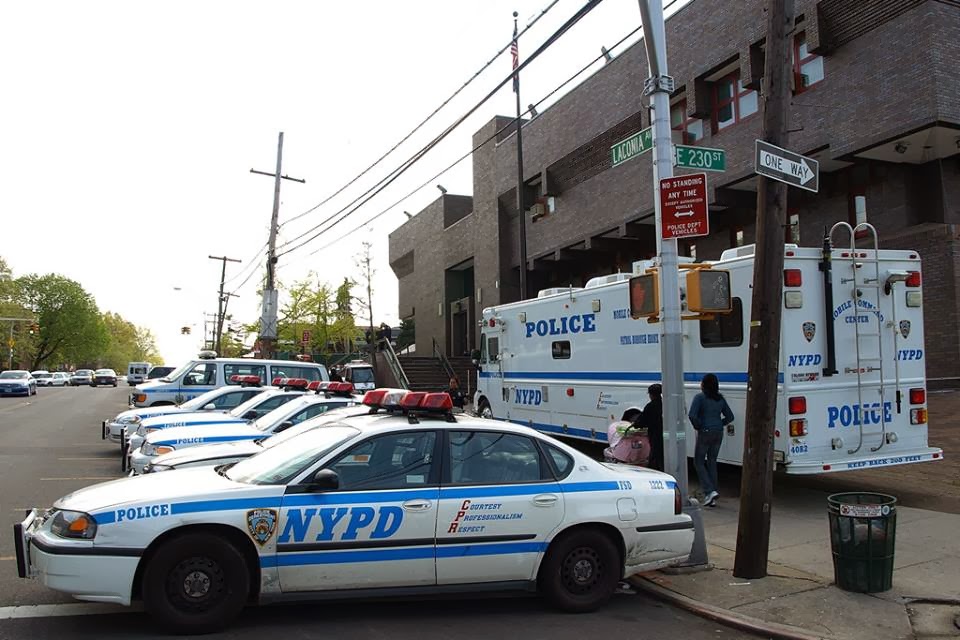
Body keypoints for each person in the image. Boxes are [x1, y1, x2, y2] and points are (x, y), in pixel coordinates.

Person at [688, 373, 734, 507]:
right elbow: (730, 416)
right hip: (718, 432)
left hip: (705, 432)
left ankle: (709, 491)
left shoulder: (700, 398)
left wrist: (698, 425)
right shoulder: (720, 399)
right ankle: (712, 493)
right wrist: (720, 423)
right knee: (712, 461)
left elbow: (692, 415)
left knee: (699, 462)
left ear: (703, 385)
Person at [632, 383, 663, 471]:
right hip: (664, 432)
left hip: (655, 433)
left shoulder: (650, 406)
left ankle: (654, 470)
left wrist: (635, 424)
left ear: (651, 394)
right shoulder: (664, 404)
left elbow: (642, 420)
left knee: (655, 453)